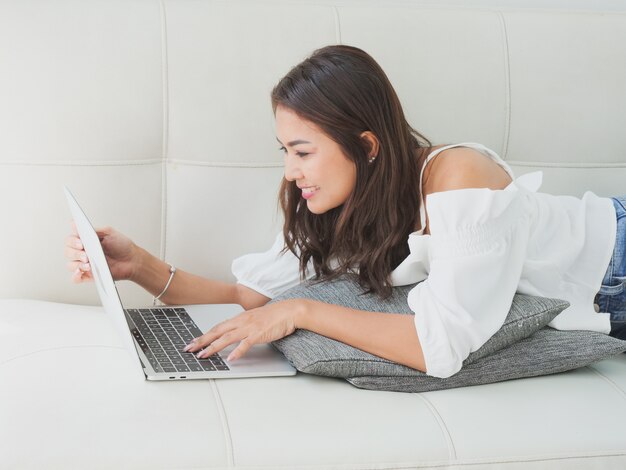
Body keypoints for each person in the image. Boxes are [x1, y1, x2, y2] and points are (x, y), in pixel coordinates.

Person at [64, 45, 625, 379]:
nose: (291, 171)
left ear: (367, 144)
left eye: (303, 152)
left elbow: (441, 348)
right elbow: (252, 297)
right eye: (285, 151)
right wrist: (136, 265)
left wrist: (304, 312)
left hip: (613, 260)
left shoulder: (459, 176)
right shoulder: (340, 203)